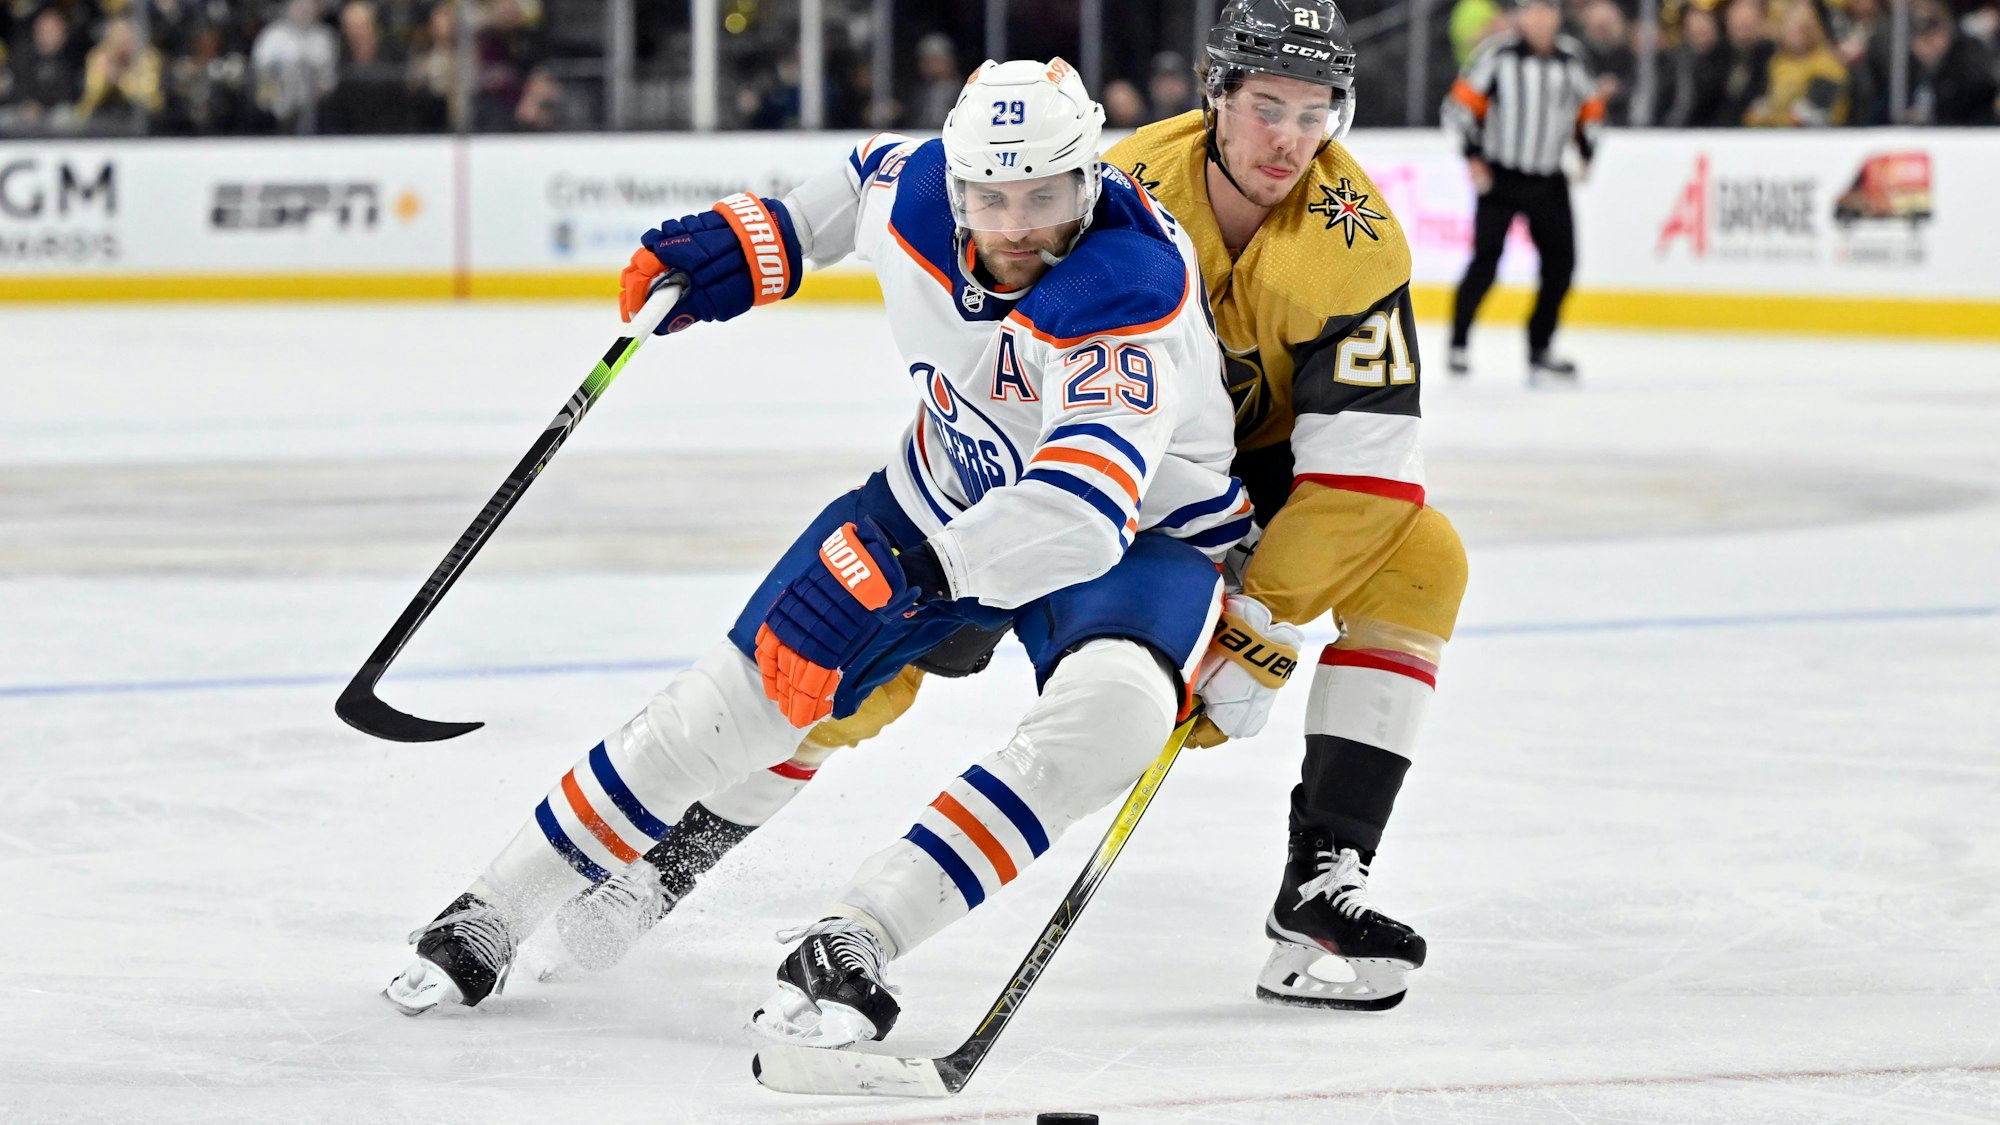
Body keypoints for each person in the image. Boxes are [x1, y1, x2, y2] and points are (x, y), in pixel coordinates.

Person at [541, 0, 1464, 1018]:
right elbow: (982, 322)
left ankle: (1322, 873)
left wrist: (1263, 623)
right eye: (1264, 107)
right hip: (1071, 474)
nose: (1286, 140)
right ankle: (669, 862)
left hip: (1220, 497)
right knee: (872, 665)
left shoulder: (1357, 245)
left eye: (1313, 112)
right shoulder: (1128, 183)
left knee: (1423, 559)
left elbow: (1361, 476)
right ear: (1215, 96)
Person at [386, 58, 1256, 1047]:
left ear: (1089, 181)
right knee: (743, 699)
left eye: (1047, 196)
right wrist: (759, 243)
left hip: (1137, 540)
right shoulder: (919, 188)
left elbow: (1077, 509)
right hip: (940, 490)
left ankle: (859, 935)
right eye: (990, 196)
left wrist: (905, 580)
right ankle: (494, 909)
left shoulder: (1126, 285)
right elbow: (853, 187)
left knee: (1115, 719)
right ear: (955, 181)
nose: (1016, 227)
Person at [1442, 0, 1603, 386]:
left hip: (1548, 178)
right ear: (1520, 16)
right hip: (1501, 176)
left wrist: (1586, 150)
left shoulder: (1571, 58)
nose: (1539, 18)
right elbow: (1459, 108)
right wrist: (1473, 157)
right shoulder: (1497, 55)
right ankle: (1459, 342)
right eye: (1531, 9)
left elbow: (1590, 107)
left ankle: (1540, 350)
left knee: (1561, 265)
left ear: (1557, 16)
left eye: (1547, 9)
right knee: (1486, 260)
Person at [1743, 1, 1849, 126]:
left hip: (1824, 137)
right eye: (1791, 28)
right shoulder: (1776, 63)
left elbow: (1813, 113)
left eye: (1802, 29)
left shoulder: (1828, 65)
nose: (1796, 35)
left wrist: (1770, 117)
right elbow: (1758, 108)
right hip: (1778, 136)